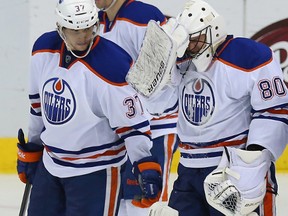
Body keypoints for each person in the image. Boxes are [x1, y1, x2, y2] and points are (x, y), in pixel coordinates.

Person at [16, 0, 163, 215]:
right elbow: (38, 107)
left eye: (88, 28)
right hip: (51, 166)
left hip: (96, 171)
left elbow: (131, 125)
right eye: (75, 30)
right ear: (61, 27)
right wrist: (34, 147)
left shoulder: (112, 64)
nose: (83, 36)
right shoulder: (43, 51)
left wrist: (144, 163)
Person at [145, 0, 288, 215]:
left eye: (196, 39)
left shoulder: (247, 56)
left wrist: (254, 163)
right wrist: (158, 71)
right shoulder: (182, 62)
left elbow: (274, 110)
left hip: (233, 170)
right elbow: (157, 107)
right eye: (188, 40)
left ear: (214, 30)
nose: (190, 46)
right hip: (189, 167)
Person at [94, 1, 179, 215]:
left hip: (155, 127)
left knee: (147, 202)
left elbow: (167, 76)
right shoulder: (95, 23)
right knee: (118, 201)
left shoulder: (144, 17)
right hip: (118, 129)